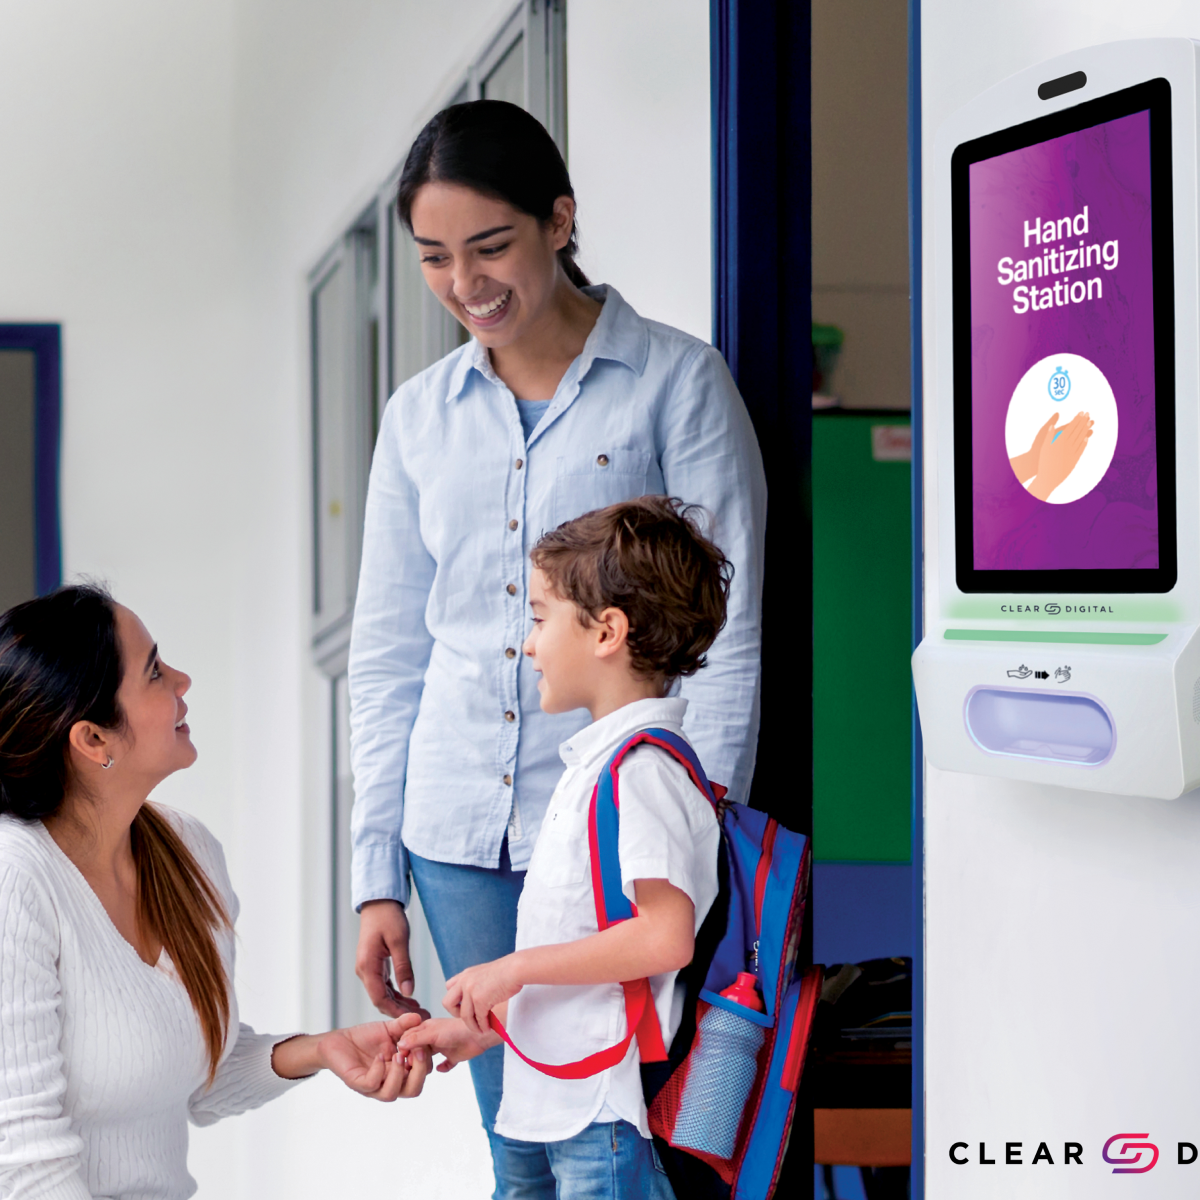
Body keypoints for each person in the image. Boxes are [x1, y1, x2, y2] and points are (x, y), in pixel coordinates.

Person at [348, 99, 766, 1195]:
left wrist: (706, 830)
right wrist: (376, 876)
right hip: (456, 833)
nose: (465, 282)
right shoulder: (416, 419)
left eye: (490, 245)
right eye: (434, 257)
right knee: (518, 1143)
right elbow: (388, 659)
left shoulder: (677, 382)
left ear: (559, 221)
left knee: (618, 1134)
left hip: (619, 832)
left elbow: (727, 636)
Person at [0, 585, 429, 1200]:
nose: (182, 680)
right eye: (154, 672)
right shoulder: (15, 878)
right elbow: (21, 1163)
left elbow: (198, 1075)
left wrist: (319, 1050)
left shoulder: (188, 849)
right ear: (93, 740)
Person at [399, 496, 729, 1199]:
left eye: (540, 617)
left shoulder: (642, 773)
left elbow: (663, 938)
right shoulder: (602, 767)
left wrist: (514, 969)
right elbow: (595, 964)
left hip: (605, 1117)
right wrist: (482, 1032)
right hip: (578, 1109)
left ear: (607, 631)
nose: (528, 644)